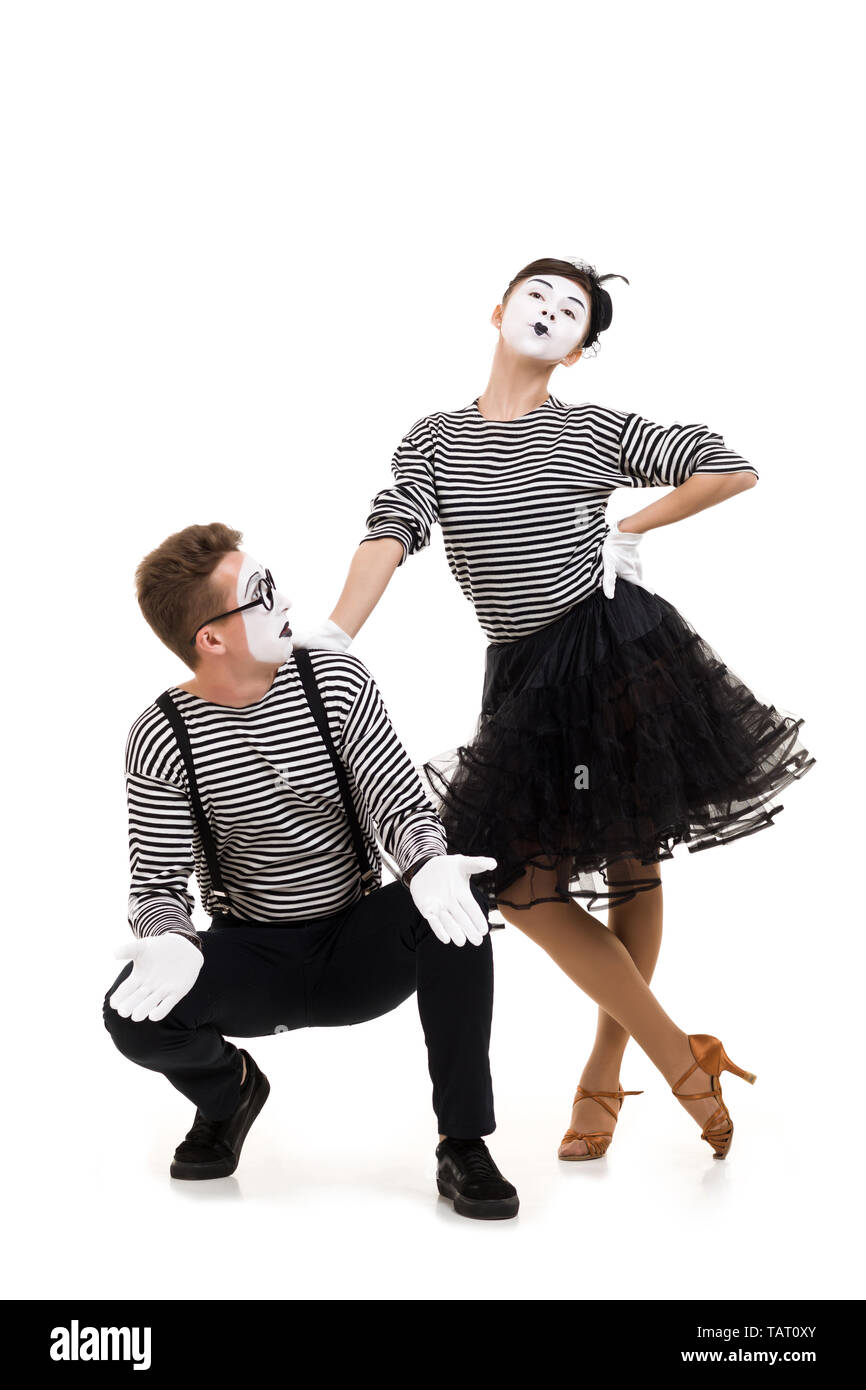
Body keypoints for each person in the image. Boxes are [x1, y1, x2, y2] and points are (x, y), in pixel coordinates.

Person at [294, 256, 815, 1164]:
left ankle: (607, 1074)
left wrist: (630, 528)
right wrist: (338, 632)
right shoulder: (434, 438)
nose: (549, 310)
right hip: (522, 677)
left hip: (612, 656)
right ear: (498, 311)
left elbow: (728, 467)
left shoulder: (588, 431)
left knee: (630, 858)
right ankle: (679, 1048)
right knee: (521, 886)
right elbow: (390, 530)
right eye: (536, 295)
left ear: (578, 350)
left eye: (572, 310)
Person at [102, 522, 519, 1220]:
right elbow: (157, 884)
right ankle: (228, 1091)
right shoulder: (161, 734)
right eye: (262, 595)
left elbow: (395, 799)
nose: (286, 600)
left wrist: (425, 864)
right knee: (129, 1014)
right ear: (212, 638)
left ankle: (463, 1142)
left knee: (459, 899)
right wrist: (170, 936)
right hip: (251, 952)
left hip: (355, 944)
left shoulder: (334, 679)